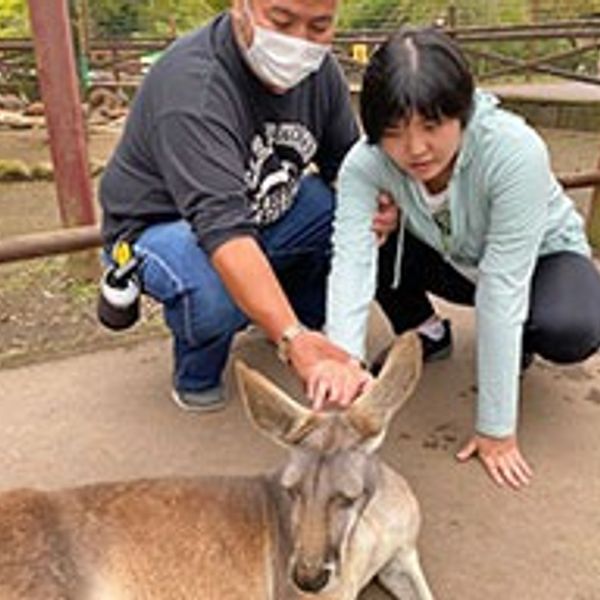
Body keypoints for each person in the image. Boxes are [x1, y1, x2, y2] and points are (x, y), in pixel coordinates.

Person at [324, 26, 600, 489]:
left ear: (463, 110)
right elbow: (350, 259)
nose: (414, 150)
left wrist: (496, 429)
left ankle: (521, 342)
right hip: (450, 254)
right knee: (372, 236)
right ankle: (425, 330)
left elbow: (503, 284)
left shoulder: (513, 150)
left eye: (431, 127)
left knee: (571, 327)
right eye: (393, 132)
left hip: (538, 261)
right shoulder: (364, 163)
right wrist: (344, 372)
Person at [99, 0, 390, 412]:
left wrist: (378, 206)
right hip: (164, 228)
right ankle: (198, 371)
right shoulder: (194, 87)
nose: (298, 42)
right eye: (281, 20)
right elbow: (222, 230)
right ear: (241, 7)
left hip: (259, 210)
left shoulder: (320, 73)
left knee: (337, 209)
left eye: (319, 26)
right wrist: (290, 338)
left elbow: (345, 166)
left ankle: (307, 327)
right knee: (212, 289)